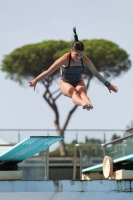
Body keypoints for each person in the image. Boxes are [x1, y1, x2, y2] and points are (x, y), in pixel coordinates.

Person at [29, 27, 118, 110]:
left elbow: (96, 73)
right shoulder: (65, 59)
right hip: (65, 82)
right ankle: (82, 103)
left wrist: (108, 84)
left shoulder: (85, 60)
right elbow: (48, 72)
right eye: (76, 54)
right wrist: (35, 80)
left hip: (78, 81)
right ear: (71, 51)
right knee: (74, 92)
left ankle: (88, 103)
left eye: (81, 54)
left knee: (83, 93)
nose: (78, 57)